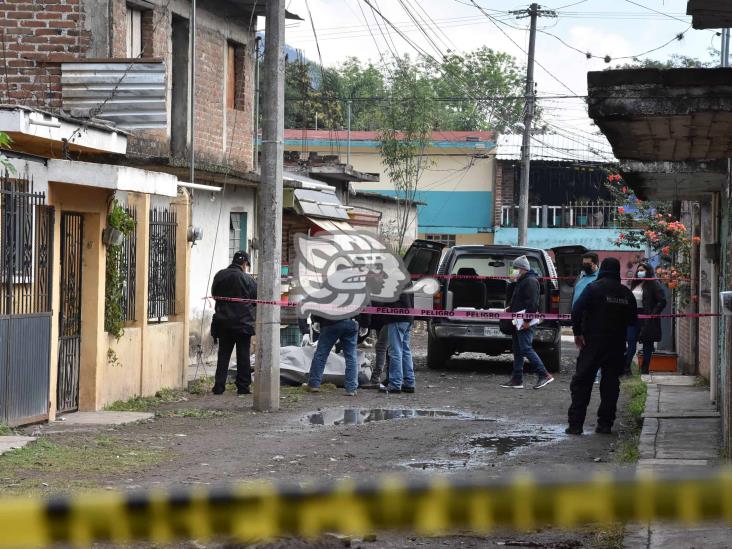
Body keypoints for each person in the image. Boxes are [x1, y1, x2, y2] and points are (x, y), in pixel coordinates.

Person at [567, 257, 637, 435]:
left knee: (582, 382)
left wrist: (577, 333)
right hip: (616, 344)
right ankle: (605, 424)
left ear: (603, 269)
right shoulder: (625, 293)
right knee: (611, 385)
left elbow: (576, 310)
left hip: (592, 343)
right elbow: (632, 320)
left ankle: (576, 425)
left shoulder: (593, 289)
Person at [500, 256, 554, 390]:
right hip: (518, 320)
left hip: (525, 321)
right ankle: (517, 379)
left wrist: (527, 321)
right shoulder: (522, 281)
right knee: (518, 349)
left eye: (515, 268)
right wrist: (510, 307)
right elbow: (518, 298)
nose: (513, 271)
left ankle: (544, 374)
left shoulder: (530, 281)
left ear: (522, 269)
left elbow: (532, 303)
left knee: (525, 348)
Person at [210, 251, 257, 395]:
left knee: (223, 355)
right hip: (243, 324)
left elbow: (214, 294)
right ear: (245, 264)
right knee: (243, 356)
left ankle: (219, 386)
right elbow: (255, 299)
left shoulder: (220, 275)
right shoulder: (248, 280)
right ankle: (243, 388)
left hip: (223, 323)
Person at [304, 310, 370, 396]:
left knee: (321, 354)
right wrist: (365, 324)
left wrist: (316, 320)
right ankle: (351, 388)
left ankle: (314, 384)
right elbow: (365, 303)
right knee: (351, 356)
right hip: (350, 321)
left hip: (329, 322)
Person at [626, 262, 667, 375]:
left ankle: (645, 368)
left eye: (642, 270)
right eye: (638, 270)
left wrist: (653, 314)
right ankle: (626, 368)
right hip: (633, 317)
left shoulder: (653, 284)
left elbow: (662, 301)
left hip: (647, 317)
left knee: (647, 344)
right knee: (631, 341)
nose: (640, 272)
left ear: (648, 271)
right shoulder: (635, 283)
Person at [379, 290, 415, 394]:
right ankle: (409, 383)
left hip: (396, 317)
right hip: (408, 317)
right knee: (405, 351)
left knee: (395, 351)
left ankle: (395, 384)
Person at [572, 252, 600, 383]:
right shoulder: (581, 276)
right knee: (582, 346)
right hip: (580, 317)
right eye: (583, 264)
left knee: (594, 348)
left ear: (595, 264)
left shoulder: (599, 277)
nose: (585, 266)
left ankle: (596, 375)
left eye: (588, 264)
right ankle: (585, 373)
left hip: (592, 317)